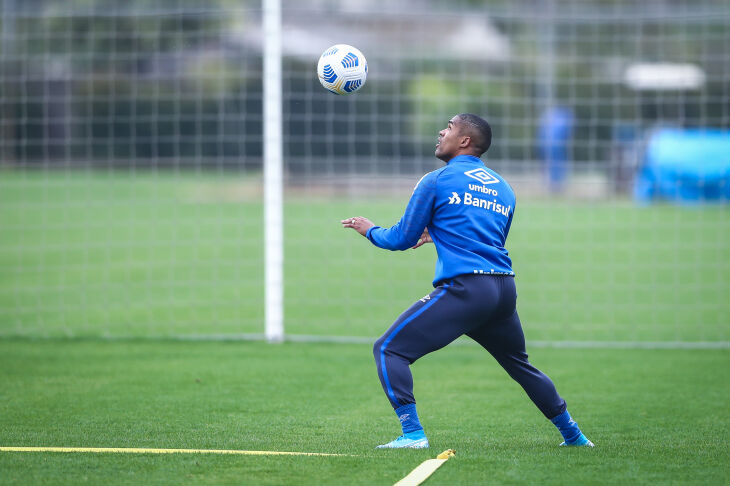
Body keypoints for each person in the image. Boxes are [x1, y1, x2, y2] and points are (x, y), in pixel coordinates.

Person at [341, 113, 593, 449]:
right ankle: (574, 436)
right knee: (520, 365)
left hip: (467, 290)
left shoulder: (435, 181)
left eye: (449, 126)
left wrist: (369, 229)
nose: (441, 130)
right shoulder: (504, 188)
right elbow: (487, 236)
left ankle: (412, 435)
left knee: (389, 350)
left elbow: (400, 238)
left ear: (464, 141)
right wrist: (440, 233)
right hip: (503, 289)